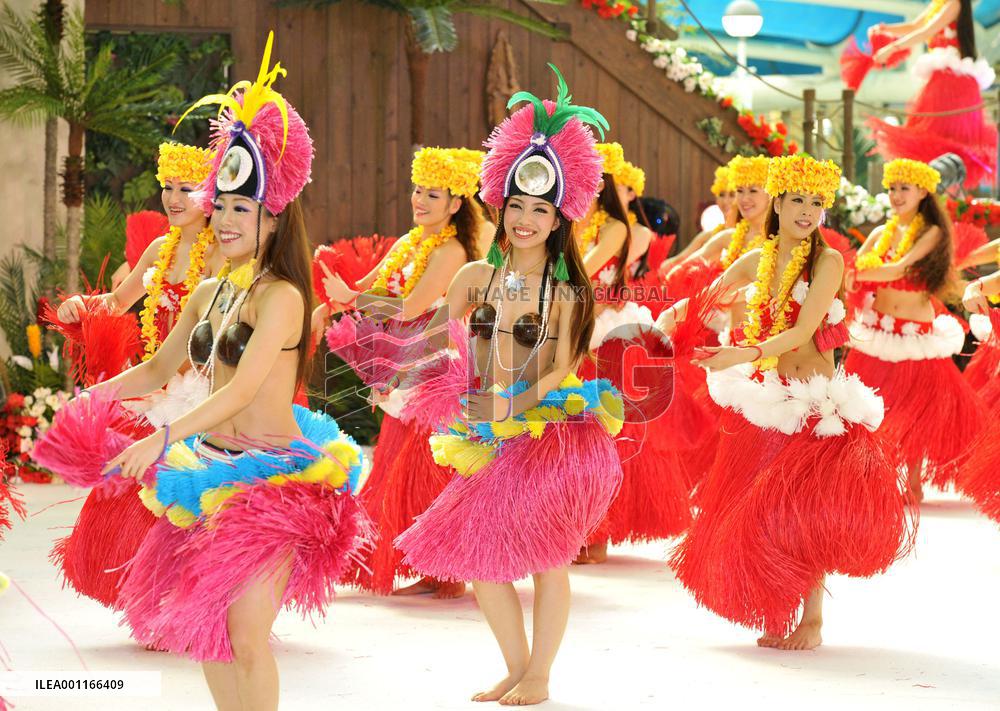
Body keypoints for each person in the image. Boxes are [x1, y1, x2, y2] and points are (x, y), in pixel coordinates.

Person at [35, 34, 369, 711]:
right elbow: (161, 363)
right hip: (211, 465)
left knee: (246, 634)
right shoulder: (213, 291)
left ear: (274, 218)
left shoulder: (281, 297)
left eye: (239, 209)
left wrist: (160, 438)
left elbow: (245, 388)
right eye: (219, 205)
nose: (221, 218)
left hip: (275, 480)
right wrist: (92, 396)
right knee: (209, 632)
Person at [391, 65, 625, 705]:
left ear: (559, 218)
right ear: (500, 205)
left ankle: (542, 675)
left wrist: (511, 404)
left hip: (546, 431)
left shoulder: (566, 289)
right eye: (516, 206)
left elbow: (556, 366)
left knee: (548, 559)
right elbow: (436, 335)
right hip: (487, 426)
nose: (524, 218)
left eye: (539, 209)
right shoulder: (475, 277)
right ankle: (518, 666)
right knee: (479, 560)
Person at [660, 154, 912, 650]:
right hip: (766, 399)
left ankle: (812, 619)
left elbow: (801, 331)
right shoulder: (759, 258)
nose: (806, 211)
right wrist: (668, 318)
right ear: (777, 202)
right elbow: (711, 295)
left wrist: (743, 350)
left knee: (803, 512)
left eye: (817, 202)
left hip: (812, 407)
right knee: (759, 510)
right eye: (797, 199)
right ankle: (777, 603)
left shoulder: (829, 261)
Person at [46, 141, 222, 611]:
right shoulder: (159, 249)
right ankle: (154, 600)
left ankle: (191, 604)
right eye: (167, 186)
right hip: (157, 382)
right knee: (133, 496)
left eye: (187, 188)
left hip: (204, 389)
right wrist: (80, 309)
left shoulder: (223, 254)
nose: (174, 198)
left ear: (212, 192)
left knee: (187, 505)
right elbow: (117, 304)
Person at [317, 147, 485, 598]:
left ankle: (445, 572)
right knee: (396, 464)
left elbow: (412, 306)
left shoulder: (451, 251)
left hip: (434, 362)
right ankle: (422, 563)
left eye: (432, 193)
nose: (419, 200)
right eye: (416, 190)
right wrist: (333, 301)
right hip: (405, 358)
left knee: (425, 467)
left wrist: (352, 300)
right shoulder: (409, 243)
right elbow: (365, 288)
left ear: (455, 203)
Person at [845, 158, 985, 502]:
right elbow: (854, 267)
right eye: (892, 188)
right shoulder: (881, 232)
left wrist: (856, 275)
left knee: (914, 407)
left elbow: (897, 270)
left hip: (915, 332)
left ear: (922, 191)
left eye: (903, 188)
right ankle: (872, 476)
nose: (895, 195)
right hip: (878, 328)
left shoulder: (931, 232)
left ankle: (912, 478)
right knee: (873, 405)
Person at [867, 0, 997, 188]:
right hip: (942, 79)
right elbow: (915, 25)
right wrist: (886, 29)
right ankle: (932, 190)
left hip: (953, 81)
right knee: (931, 136)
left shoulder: (955, 4)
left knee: (946, 137)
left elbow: (927, 31)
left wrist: (892, 48)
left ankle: (944, 191)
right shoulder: (940, 3)